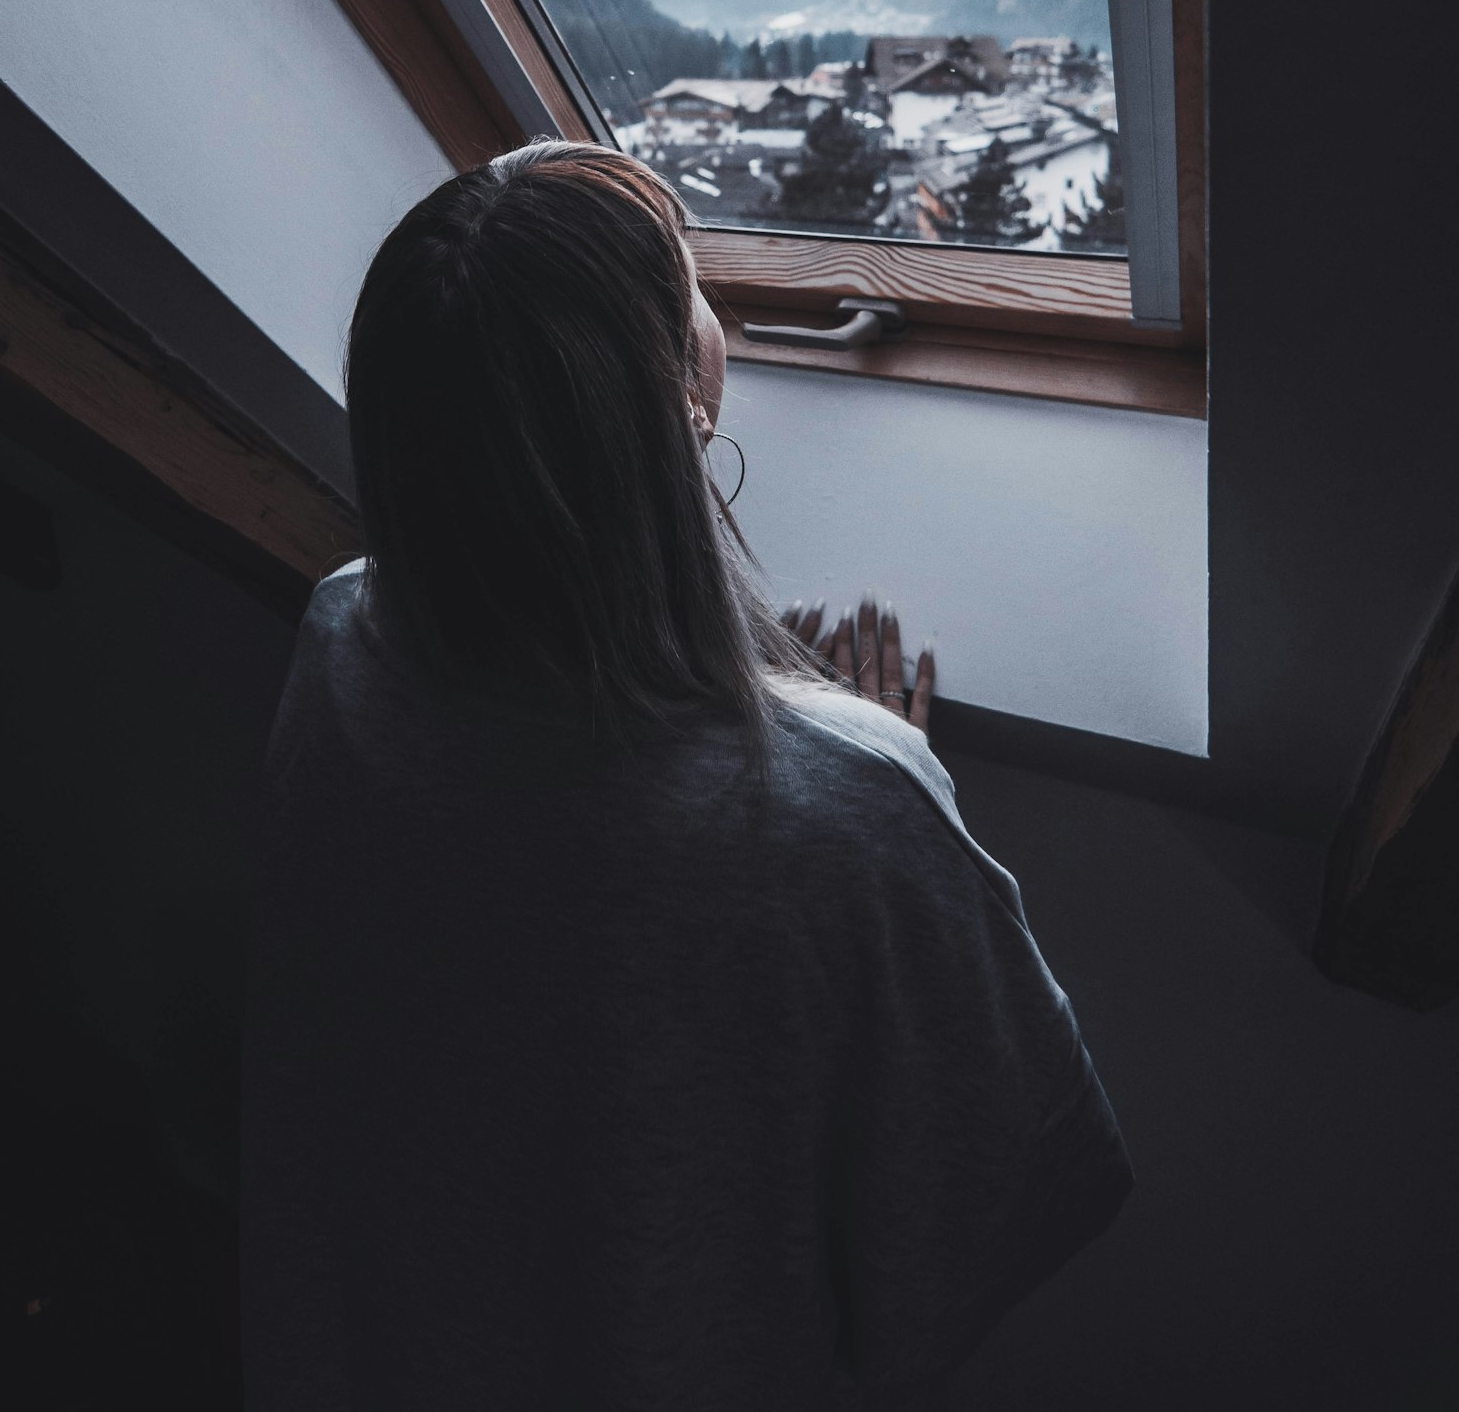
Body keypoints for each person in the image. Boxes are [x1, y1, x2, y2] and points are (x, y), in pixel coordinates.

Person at [242, 142, 1131, 1409]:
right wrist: (853, 765)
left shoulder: (340, 638)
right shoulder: (848, 807)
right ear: (680, 398)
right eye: (697, 289)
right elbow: (1010, 1203)